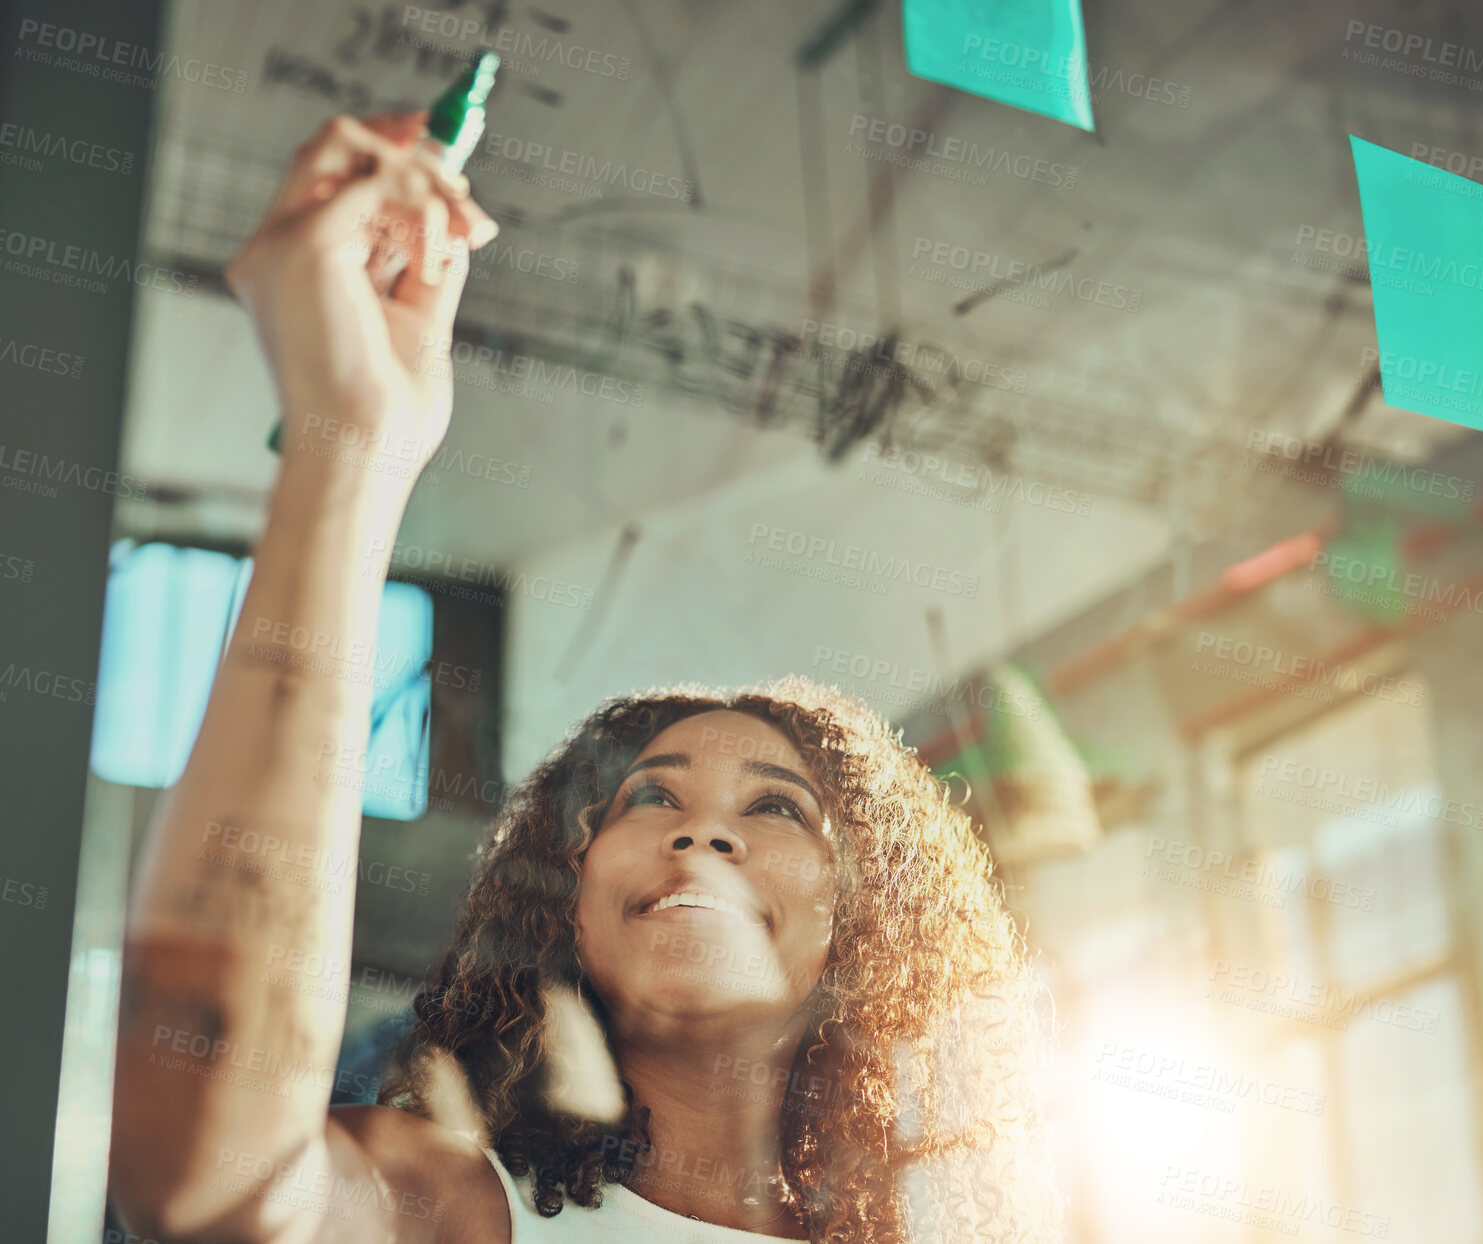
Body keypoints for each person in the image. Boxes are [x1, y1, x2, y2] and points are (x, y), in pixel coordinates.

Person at [108, 111, 1061, 1243]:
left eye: (775, 805)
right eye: (651, 794)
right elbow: (206, 1174)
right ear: (564, 900)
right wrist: (349, 447)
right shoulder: (453, 1202)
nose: (700, 833)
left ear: (861, 930)